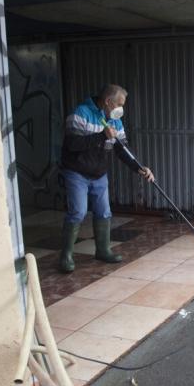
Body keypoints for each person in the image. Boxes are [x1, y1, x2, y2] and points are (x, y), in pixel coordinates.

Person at [59, 84, 154, 273]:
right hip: (77, 172)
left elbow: (121, 149)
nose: (121, 108)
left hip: (99, 173)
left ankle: (103, 250)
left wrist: (139, 168)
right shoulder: (81, 113)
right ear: (108, 101)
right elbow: (72, 144)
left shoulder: (115, 121)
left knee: (104, 212)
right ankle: (66, 255)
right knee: (78, 211)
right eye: (119, 104)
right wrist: (101, 135)